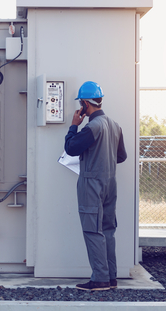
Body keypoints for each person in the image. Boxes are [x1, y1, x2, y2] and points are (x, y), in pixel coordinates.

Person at [64, 81, 127, 291]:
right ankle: (111, 278)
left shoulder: (92, 127)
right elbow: (121, 156)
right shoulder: (115, 125)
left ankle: (100, 279)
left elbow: (71, 148)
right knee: (108, 229)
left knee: (93, 230)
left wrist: (74, 124)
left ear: (84, 104)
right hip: (110, 183)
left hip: (92, 184)